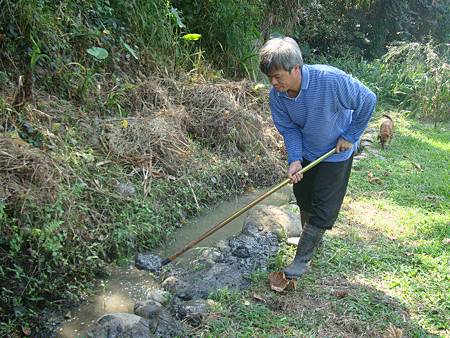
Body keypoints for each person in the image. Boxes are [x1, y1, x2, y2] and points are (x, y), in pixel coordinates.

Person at [259, 37, 376, 279]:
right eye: (269, 77)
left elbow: (368, 100)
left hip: (336, 152)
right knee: (304, 197)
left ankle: (302, 259)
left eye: (278, 76)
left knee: (323, 206)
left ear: (295, 69)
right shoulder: (277, 96)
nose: (273, 82)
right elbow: (290, 129)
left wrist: (351, 135)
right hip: (307, 152)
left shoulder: (331, 80)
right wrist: (294, 159)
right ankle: (311, 240)